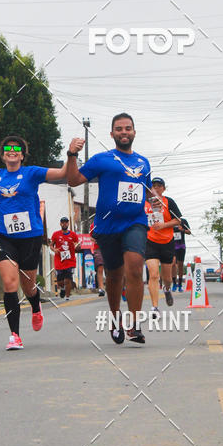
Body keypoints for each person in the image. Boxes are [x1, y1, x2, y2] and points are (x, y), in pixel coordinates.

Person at [0, 135, 68, 351]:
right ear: (3, 155)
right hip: (4, 235)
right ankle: (15, 335)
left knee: (28, 286)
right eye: (7, 148)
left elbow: (62, 173)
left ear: (22, 155)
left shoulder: (32, 173)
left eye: (16, 149)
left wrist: (71, 154)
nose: (11, 151)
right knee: (10, 284)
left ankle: (35, 305)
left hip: (30, 236)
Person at [66, 113, 151, 345]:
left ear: (134, 132)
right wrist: (72, 154)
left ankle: (134, 325)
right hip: (107, 226)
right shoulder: (101, 159)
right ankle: (116, 319)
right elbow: (73, 180)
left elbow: (147, 190)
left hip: (135, 222)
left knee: (134, 267)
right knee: (114, 276)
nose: (124, 132)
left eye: (128, 128)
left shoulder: (144, 162)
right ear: (112, 134)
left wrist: (153, 203)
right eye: (119, 129)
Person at [144, 178, 183, 316]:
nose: (156, 188)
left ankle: (167, 290)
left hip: (167, 242)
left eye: (159, 186)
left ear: (164, 189)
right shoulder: (144, 203)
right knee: (153, 274)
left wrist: (163, 225)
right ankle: (155, 307)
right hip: (150, 242)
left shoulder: (168, 202)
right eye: (153, 186)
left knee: (167, 278)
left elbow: (178, 220)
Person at [50, 217, 80, 300]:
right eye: (62, 222)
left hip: (70, 260)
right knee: (60, 281)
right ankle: (62, 289)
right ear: (60, 224)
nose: (64, 224)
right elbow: (51, 245)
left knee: (68, 279)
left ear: (68, 223)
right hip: (59, 260)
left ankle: (67, 296)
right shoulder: (56, 234)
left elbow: (78, 245)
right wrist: (54, 249)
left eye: (66, 222)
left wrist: (77, 246)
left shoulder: (73, 235)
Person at [171, 217, 191, 291]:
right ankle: (174, 283)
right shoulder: (170, 221)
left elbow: (189, 232)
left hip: (181, 246)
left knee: (180, 265)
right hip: (172, 245)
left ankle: (179, 284)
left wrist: (182, 230)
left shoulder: (183, 221)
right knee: (173, 263)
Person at [89, 221, 106, 296]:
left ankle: (112, 287)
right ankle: (101, 288)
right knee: (100, 267)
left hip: (109, 247)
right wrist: (96, 240)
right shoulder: (94, 224)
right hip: (98, 248)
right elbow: (91, 237)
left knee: (110, 269)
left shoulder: (109, 221)